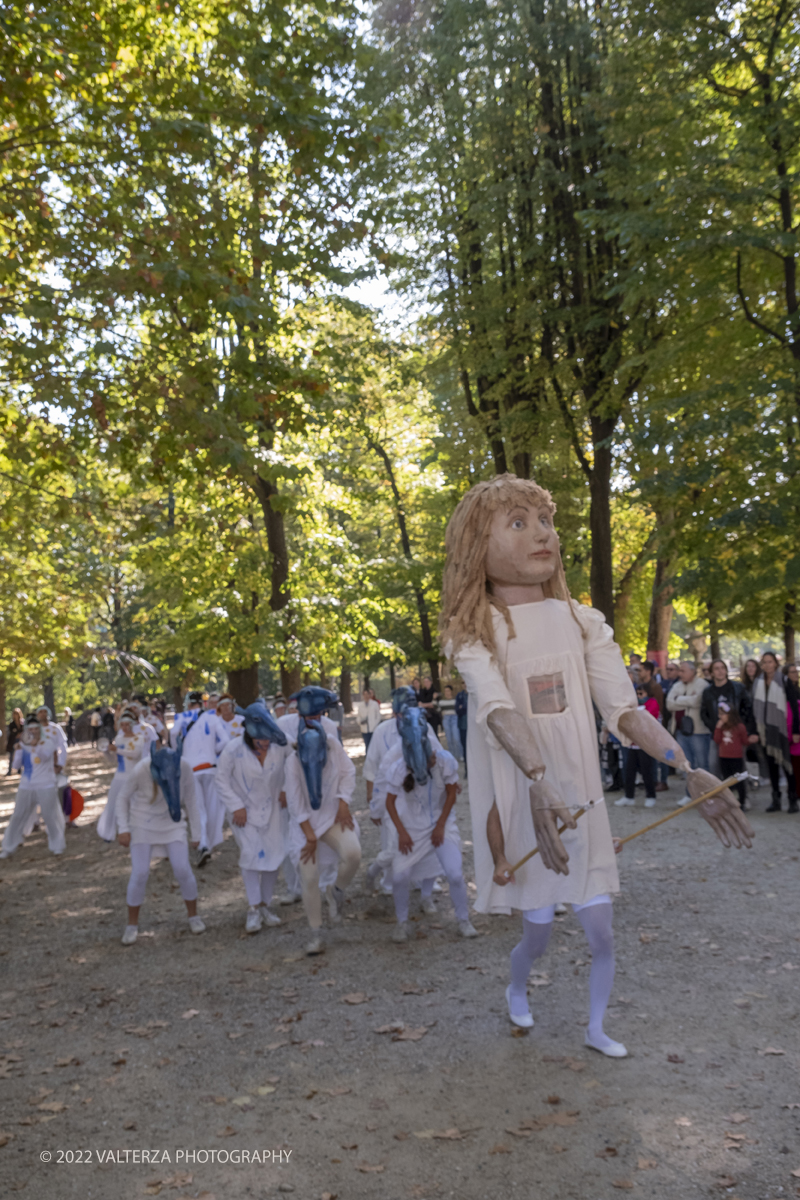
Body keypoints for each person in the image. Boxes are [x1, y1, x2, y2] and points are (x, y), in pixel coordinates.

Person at [439, 474, 752, 1056]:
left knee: (600, 929)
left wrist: (686, 767)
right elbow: (498, 709)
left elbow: (625, 712)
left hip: (579, 800)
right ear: (475, 545)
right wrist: (535, 779)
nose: (542, 535)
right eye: (518, 523)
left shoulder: (582, 621)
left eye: (545, 522)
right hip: (528, 806)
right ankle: (517, 986)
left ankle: (596, 1027)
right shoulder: (474, 631)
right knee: (537, 934)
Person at [383, 707, 477, 943]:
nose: (431, 761)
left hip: (441, 824)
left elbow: (452, 794)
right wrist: (402, 832)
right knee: (399, 876)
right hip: (412, 830)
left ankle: (463, 919)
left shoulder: (445, 761)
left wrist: (441, 825)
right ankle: (402, 922)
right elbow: (390, 803)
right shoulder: (398, 768)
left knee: (455, 874)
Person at [283, 688, 360, 956]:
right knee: (309, 876)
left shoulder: (332, 743)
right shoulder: (292, 760)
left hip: (331, 815)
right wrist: (309, 835)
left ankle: (336, 891)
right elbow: (294, 801)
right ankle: (316, 932)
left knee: (353, 854)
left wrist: (343, 803)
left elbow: (348, 772)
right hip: (305, 823)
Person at [116, 741, 206, 945]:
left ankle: (194, 916)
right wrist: (124, 828)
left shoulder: (184, 767)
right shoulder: (142, 769)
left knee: (182, 868)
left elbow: (192, 800)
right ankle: (131, 925)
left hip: (172, 824)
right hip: (142, 823)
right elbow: (122, 797)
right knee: (140, 873)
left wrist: (197, 833)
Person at [216, 702, 288, 934]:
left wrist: (286, 788)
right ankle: (253, 908)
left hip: (274, 809)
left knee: (274, 855)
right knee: (250, 855)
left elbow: (295, 766)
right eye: (260, 740)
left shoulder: (280, 746)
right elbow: (221, 780)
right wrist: (236, 806)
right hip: (244, 812)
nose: (265, 743)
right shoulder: (233, 749)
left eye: (268, 738)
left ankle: (266, 905)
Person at [171, 691, 226, 865]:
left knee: (198, 808)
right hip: (210, 767)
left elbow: (173, 734)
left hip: (191, 768)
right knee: (211, 808)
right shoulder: (212, 717)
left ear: (188, 703)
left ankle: (203, 844)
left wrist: (179, 751)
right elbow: (225, 740)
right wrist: (213, 751)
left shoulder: (182, 717)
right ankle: (208, 842)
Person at [1, 715, 66, 858]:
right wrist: (18, 750)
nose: (34, 731)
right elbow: (16, 765)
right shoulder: (23, 743)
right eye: (31, 729)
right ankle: (8, 846)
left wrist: (33, 745)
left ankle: (57, 845)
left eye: (37, 728)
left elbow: (44, 756)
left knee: (50, 816)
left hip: (46, 783)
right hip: (27, 784)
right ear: (27, 730)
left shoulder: (47, 742)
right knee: (18, 815)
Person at [96, 707, 151, 841]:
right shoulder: (119, 739)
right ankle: (108, 832)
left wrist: (117, 750)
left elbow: (135, 754)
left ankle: (141, 830)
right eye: (123, 724)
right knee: (113, 802)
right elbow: (115, 759)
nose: (125, 727)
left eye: (127, 724)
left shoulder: (139, 738)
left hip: (134, 775)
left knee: (137, 804)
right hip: (120, 775)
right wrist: (106, 751)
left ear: (132, 725)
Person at [754, 651, 797, 813]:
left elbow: (794, 706)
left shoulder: (784, 681)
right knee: (771, 767)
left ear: (776, 664)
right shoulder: (758, 682)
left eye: (770, 662)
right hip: (765, 731)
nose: (767, 665)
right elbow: (754, 708)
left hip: (782, 729)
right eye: (764, 662)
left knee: (787, 765)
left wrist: (796, 730)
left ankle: (792, 799)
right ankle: (776, 799)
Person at [700, 660, 756, 778]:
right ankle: (719, 792)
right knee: (713, 763)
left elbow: (749, 708)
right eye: (716, 668)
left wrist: (743, 726)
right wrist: (714, 726)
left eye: (722, 668)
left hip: (736, 733)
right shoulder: (707, 691)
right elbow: (704, 713)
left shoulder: (738, 688)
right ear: (711, 673)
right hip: (718, 733)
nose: (720, 671)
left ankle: (741, 794)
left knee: (739, 765)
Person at [666, 661, 711, 802]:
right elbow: (669, 703)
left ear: (693, 671)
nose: (680, 673)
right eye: (680, 670)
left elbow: (697, 701)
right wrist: (687, 699)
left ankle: (705, 793)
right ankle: (689, 794)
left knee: (702, 764)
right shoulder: (677, 685)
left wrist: (678, 700)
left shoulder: (702, 685)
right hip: (680, 731)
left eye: (683, 671)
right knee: (687, 765)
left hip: (698, 731)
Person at [615, 685, 660, 808]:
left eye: (641, 694)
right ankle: (629, 796)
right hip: (633, 743)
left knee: (647, 771)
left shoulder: (652, 702)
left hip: (645, 743)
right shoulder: (634, 705)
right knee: (629, 771)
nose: (639, 697)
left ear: (648, 693)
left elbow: (648, 719)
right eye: (637, 694)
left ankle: (651, 796)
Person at [713, 700, 750, 809]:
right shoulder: (721, 727)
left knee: (739, 780)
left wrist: (751, 740)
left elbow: (745, 741)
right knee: (727, 780)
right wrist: (718, 728)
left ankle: (742, 801)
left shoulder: (740, 727)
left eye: (722, 714)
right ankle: (729, 801)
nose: (720, 716)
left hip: (736, 758)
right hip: (723, 757)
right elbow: (717, 740)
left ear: (730, 715)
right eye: (719, 714)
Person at [786, 664, 800, 803]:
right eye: (792, 672)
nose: (795, 674)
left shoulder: (798, 689)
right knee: (795, 764)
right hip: (793, 732)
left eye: (796, 672)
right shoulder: (787, 692)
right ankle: (795, 792)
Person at [439, 685, 461, 760]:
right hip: (446, 719)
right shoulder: (442, 702)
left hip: (454, 719)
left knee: (456, 738)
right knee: (449, 738)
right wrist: (434, 698)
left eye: (448, 691)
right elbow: (437, 709)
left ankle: (459, 755)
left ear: (451, 691)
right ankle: (452, 755)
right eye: (445, 691)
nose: (447, 693)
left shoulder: (456, 700)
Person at [6, 708, 23, 775]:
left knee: (20, 755)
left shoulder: (22, 723)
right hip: (13, 742)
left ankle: (19, 770)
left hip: (21, 741)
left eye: (17, 713)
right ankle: (9, 771)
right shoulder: (11, 724)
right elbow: (12, 732)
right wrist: (17, 734)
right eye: (14, 713)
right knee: (11, 756)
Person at [455, 683, 468, 768]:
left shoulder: (473, 695)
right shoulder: (459, 695)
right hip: (463, 726)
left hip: (473, 727)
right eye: (462, 682)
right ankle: (467, 769)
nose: (464, 684)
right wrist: (464, 707)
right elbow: (457, 709)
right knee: (465, 748)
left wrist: (462, 706)